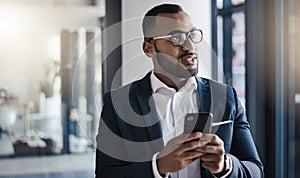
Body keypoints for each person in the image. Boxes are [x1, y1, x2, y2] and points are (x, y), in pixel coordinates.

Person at [95, 3, 263, 178]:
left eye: (192, 35)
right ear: (149, 48)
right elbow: (105, 174)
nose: (190, 46)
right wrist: (157, 167)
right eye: (176, 38)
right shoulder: (118, 103)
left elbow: (255, 170)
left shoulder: (226, 96)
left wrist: (225, 166)